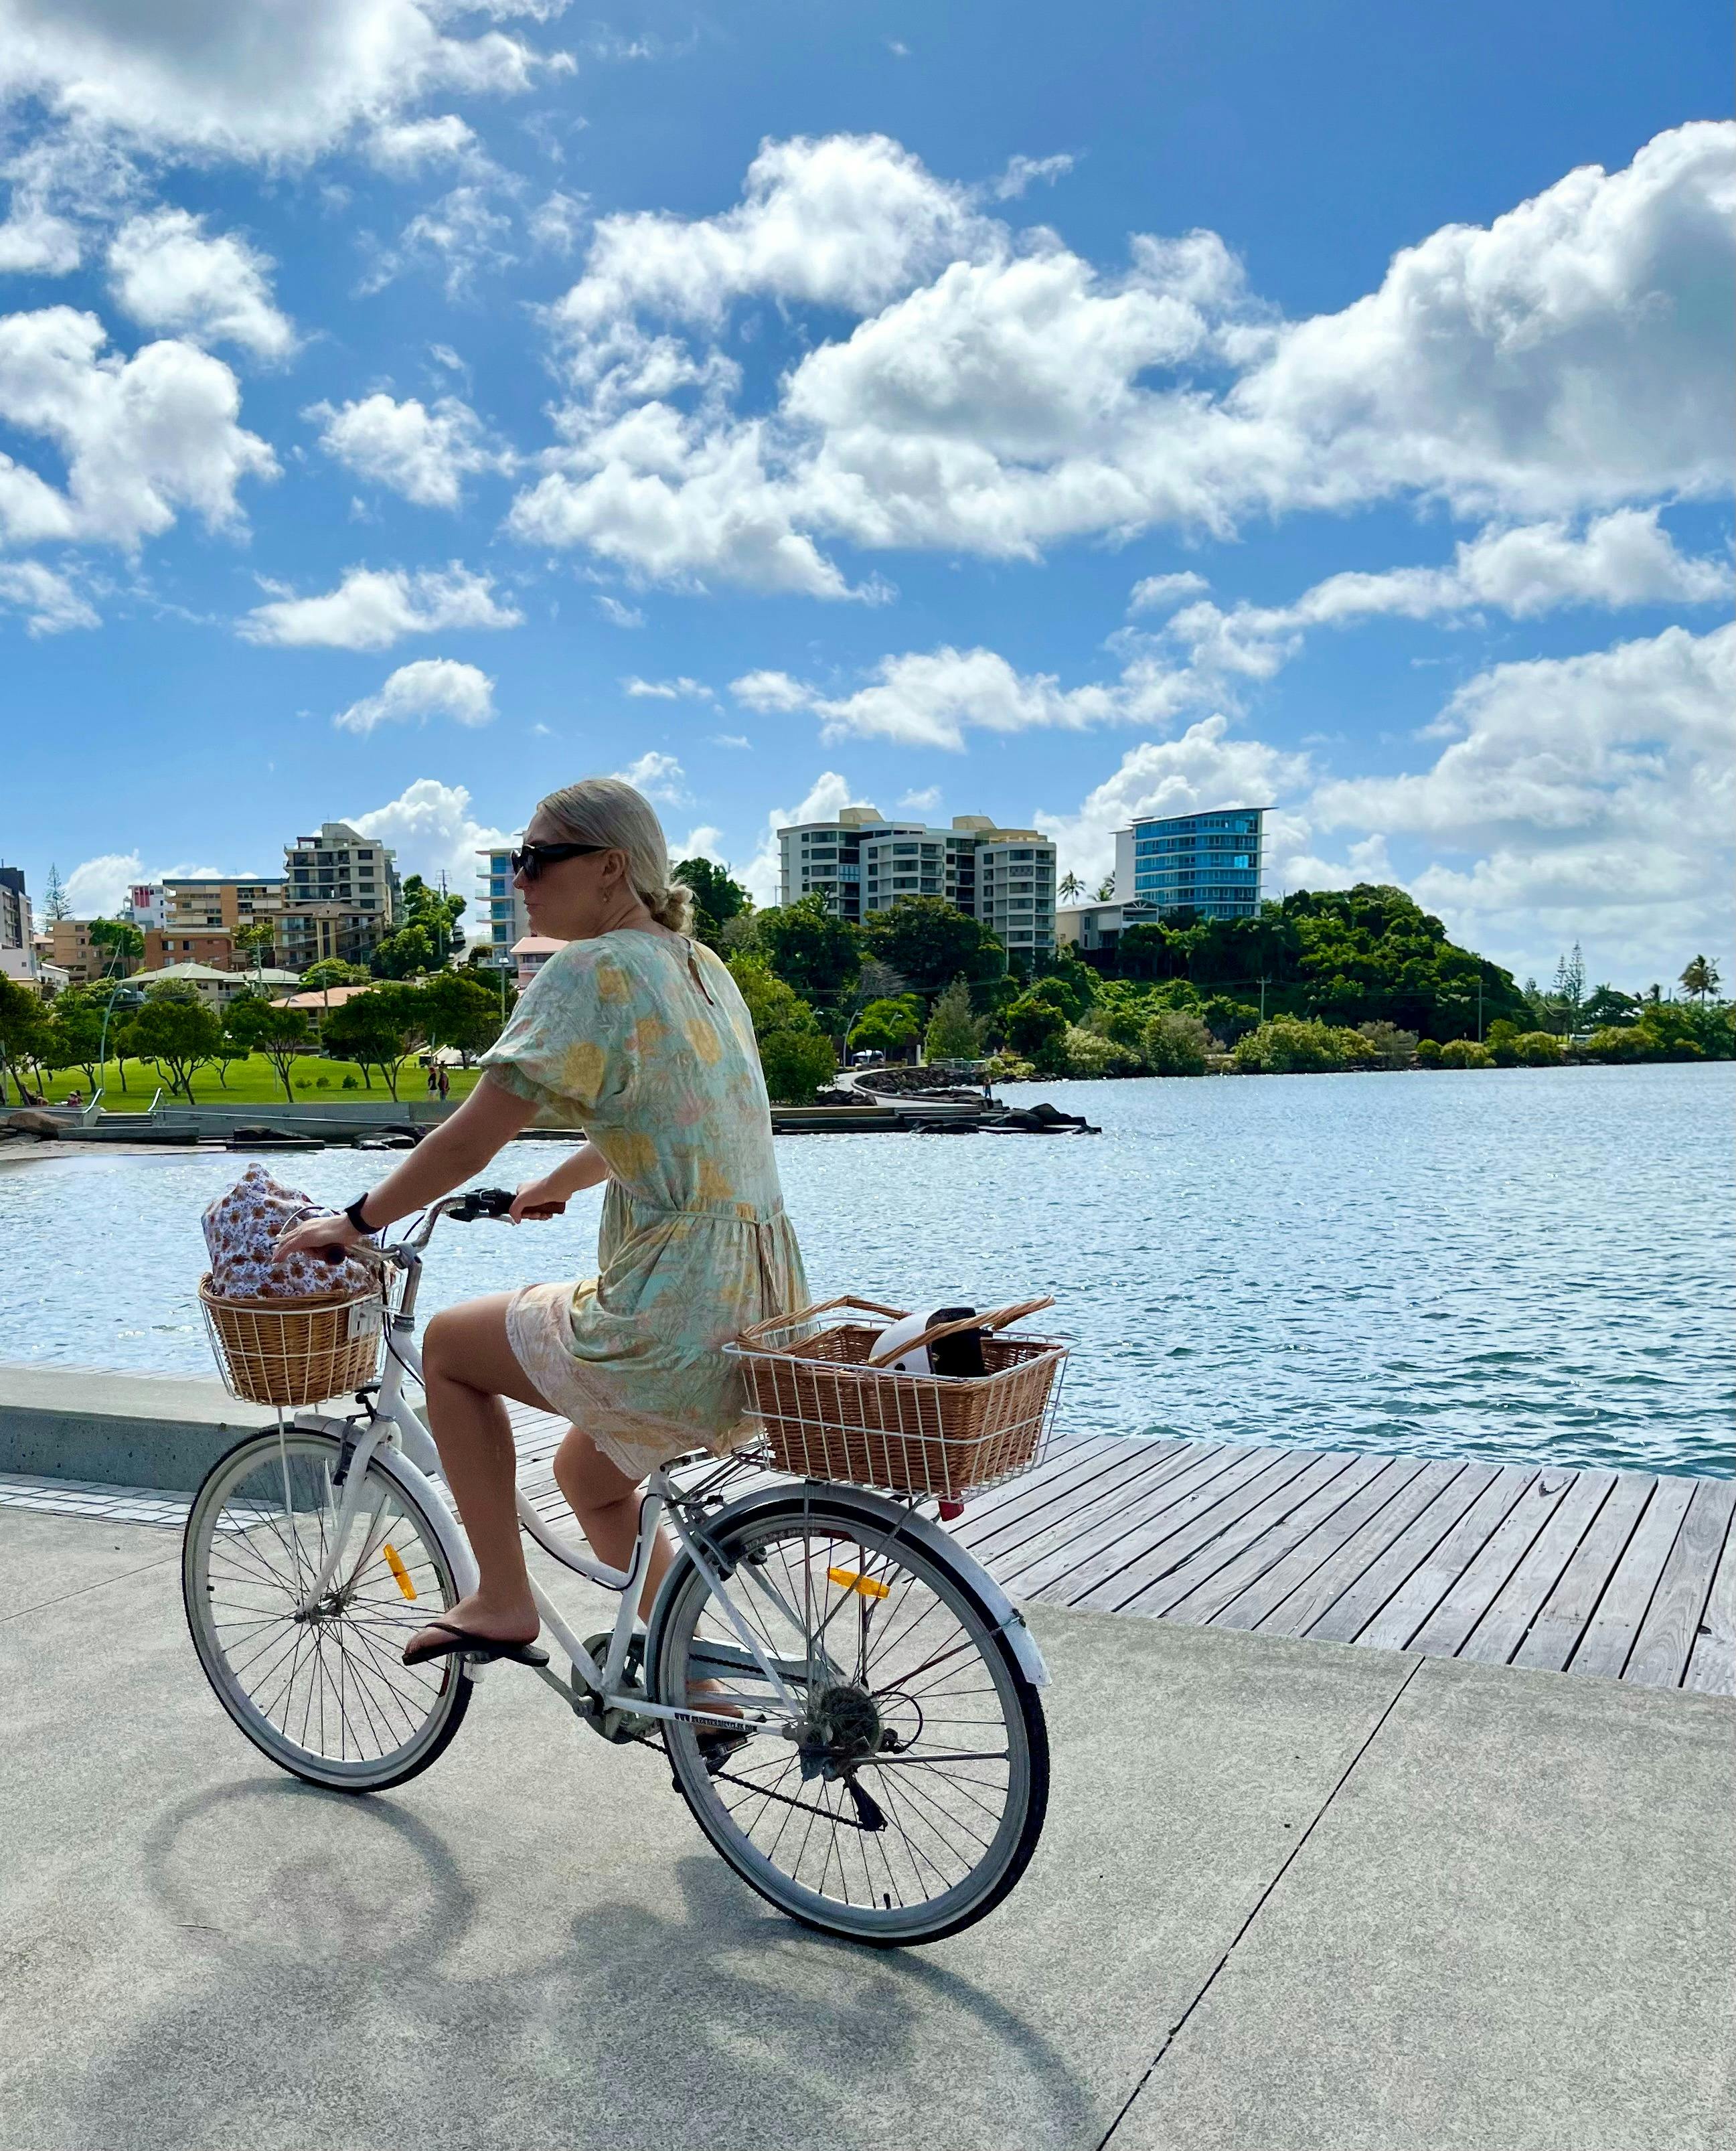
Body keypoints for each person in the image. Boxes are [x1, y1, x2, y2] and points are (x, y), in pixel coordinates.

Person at [273, 778, 808, 1667]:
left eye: (537, 858)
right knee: (586, 1477)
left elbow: (469, 1139)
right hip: (759, 1301)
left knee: (446, 1344)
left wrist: (355, 1219)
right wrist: (561, 1178)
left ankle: (501, 1598)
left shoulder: (591, 969)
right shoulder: (697, 966)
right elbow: (676, 1116)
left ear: (610, 866)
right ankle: (693, 1678)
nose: (519, 879)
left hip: (668, 1310)